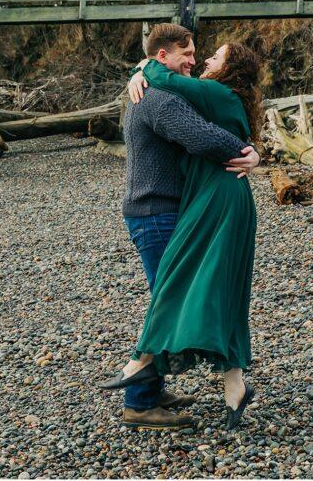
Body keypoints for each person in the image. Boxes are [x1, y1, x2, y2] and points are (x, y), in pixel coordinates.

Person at [101, 23, 260, 430]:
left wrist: (252, 151)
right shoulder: (160, 98)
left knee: (171, 297)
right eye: (186, 55)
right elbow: (201, 136)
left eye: (201, 55)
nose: (195, 60)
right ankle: (138, 399)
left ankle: (148, 384)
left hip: (161, 209)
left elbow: (217, 122)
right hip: (158, 213)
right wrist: (248, 151)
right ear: (163, 58)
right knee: (169, 298)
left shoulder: (158, 88)